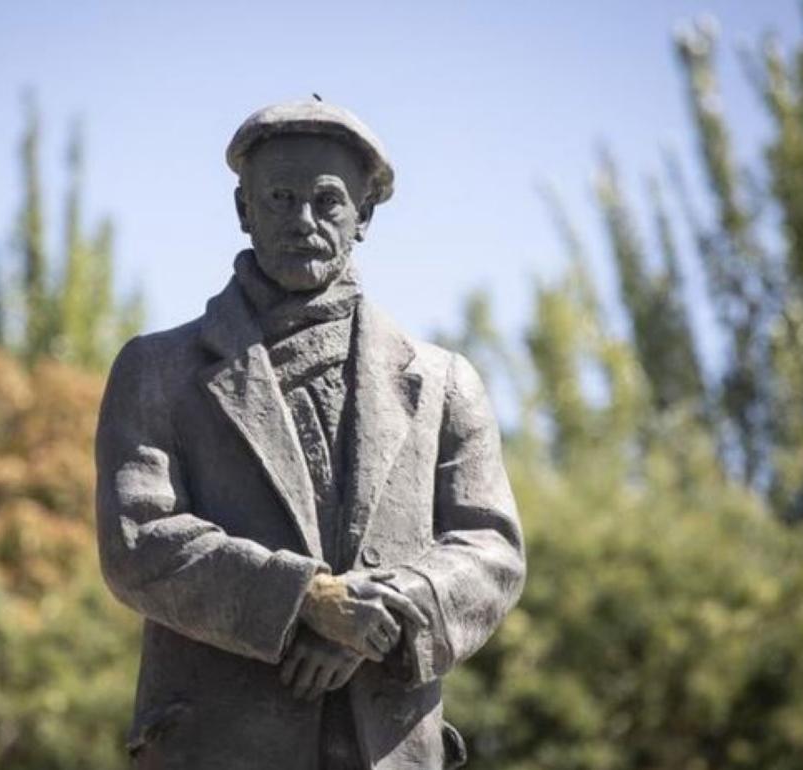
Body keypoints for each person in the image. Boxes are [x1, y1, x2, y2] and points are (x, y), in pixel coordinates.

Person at [96, 99, 526, 770]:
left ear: (364, 217)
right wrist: (305, 600)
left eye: (328, 203)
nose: (304, 221)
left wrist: (379, 616)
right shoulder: (158, 370)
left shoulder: (445, 382)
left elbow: (490, 550)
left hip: (388, 748)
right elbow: (139, 541)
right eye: (280, 198)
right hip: (217, 747)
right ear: (244, 210)